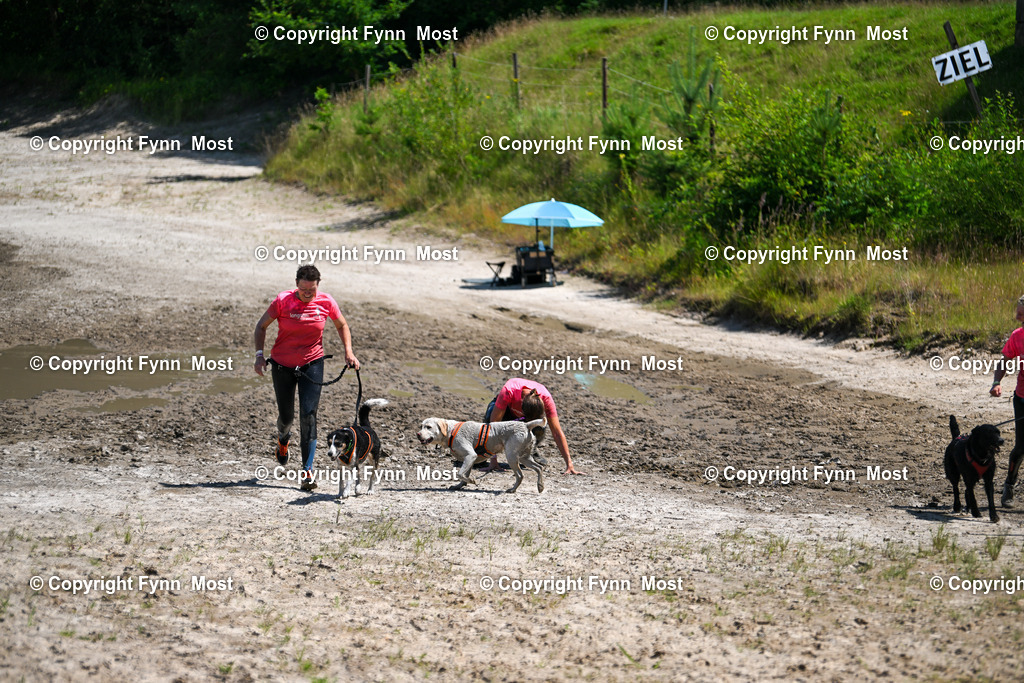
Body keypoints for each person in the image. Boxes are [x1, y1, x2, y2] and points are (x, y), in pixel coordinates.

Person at [253, 265, 359, 491]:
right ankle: (283, 439)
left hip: (312, 364)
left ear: (318, 285)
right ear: (296, 285)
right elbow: (261, 326)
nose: (308, 294)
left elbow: (342, 325)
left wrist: (348, 352)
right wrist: (259, 356)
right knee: (286, 417)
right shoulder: (283, 301)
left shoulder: (326, 302)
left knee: (309, 415)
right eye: (303, 290)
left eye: (312, 289)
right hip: (282, 365)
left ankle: (307, 471)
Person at [483, 378, 582, 475]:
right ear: (521, 406)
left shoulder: (546, 398)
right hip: (507, 412)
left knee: (540, 426)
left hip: (529, 414)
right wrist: (493, 461)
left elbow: (557, 432)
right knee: (490, 416)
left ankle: (531, 450)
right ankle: (483, 453)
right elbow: (493, 426)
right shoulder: (509, 391)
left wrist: (569, 464)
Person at [990, 295, 1024, 507]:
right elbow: (1004, 361)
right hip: (1022, 399)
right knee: (1021, 447)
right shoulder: (1018, 336)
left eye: (1021, 313)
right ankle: (1009, 485)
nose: (1017, 317)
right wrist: (996, 382)